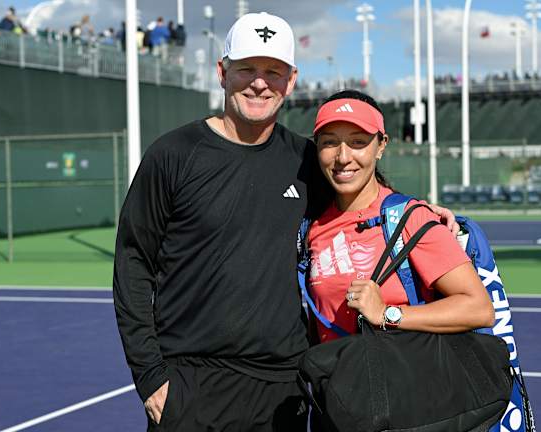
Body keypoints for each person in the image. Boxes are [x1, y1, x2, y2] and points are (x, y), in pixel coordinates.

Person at [113, 12, 457, 432]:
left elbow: (368, 197)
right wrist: (150, 377)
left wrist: (423, 213)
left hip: (286, 390)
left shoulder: (307, 160)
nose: (260, 83)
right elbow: (133, 265)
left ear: (290, 81)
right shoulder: (172, 155)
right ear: (222, 73)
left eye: (273, 72)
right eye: (247, 70)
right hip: (190, 387)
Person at [304, 89, 494, 346]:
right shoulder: (312, 225)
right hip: (333, 382)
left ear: (380, 146)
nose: (343, 157)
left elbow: (479, 308)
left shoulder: (409, 219)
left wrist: (387, 314)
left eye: (358, 142)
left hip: (401, 380)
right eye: (329, 142)